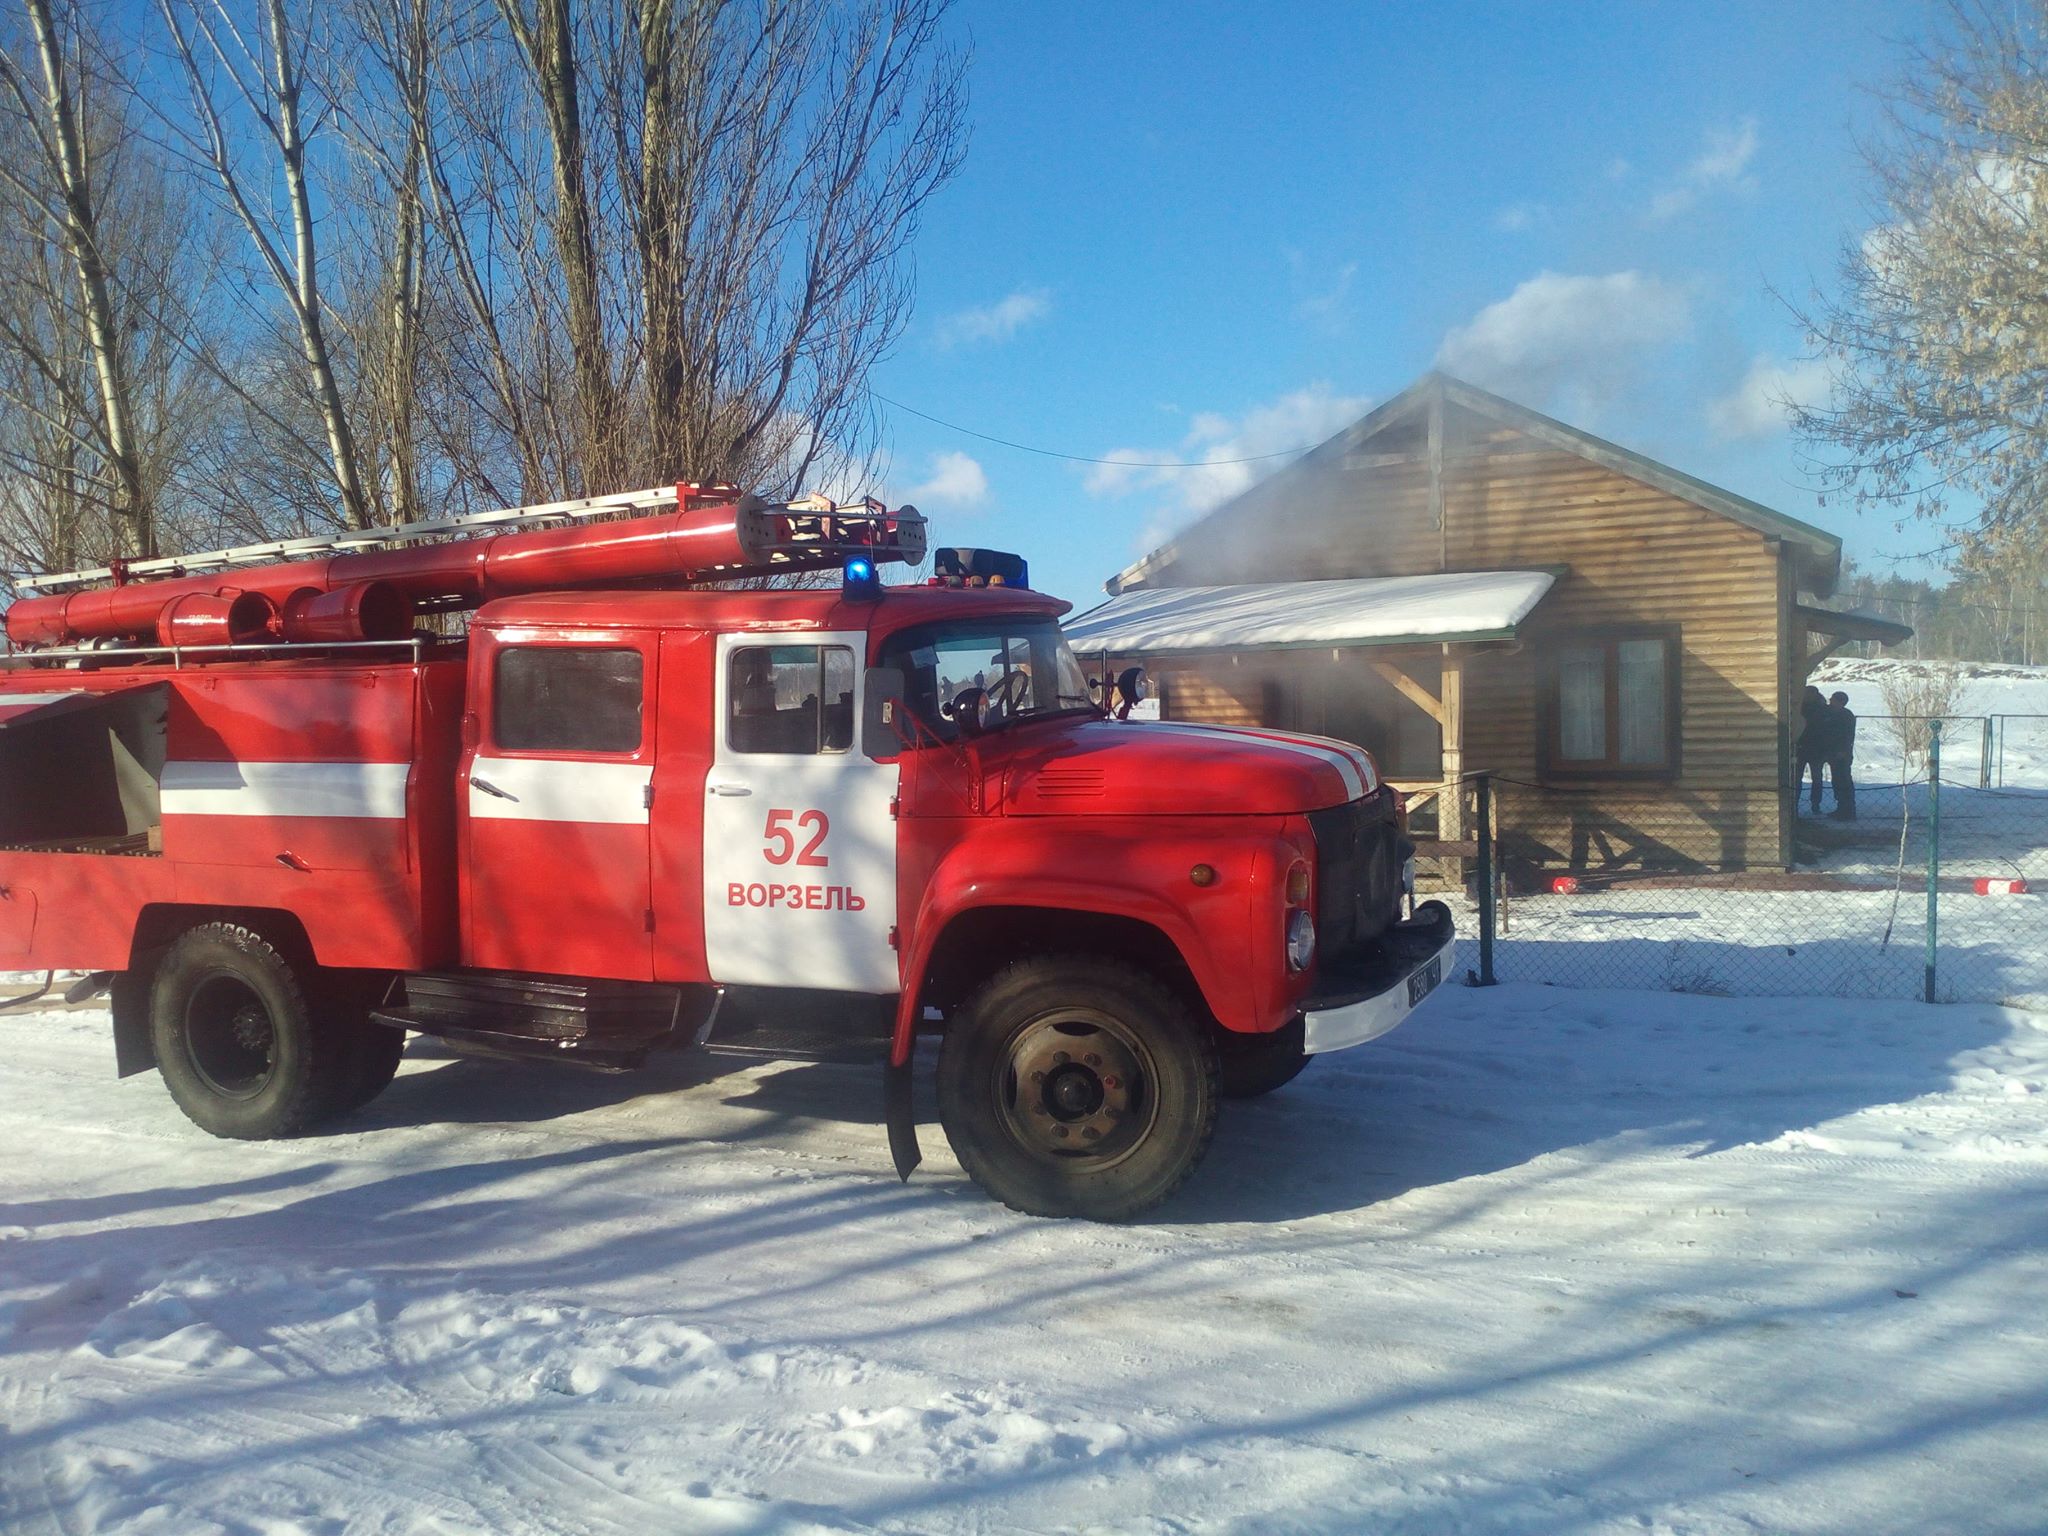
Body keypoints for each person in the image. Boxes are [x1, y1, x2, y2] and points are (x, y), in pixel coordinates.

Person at [1795, 685, 1830, 815]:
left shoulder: (1817, 708)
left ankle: (1815, 804)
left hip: (1814, 748)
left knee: (1815, 778)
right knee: (1797, 778)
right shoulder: (1802, 707)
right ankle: (1796, 804)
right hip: (1803, 747)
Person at [1825, 691, 1857, 821]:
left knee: (1844, 781)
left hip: (1842, 754)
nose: (1830, 701)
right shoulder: (1832, 713)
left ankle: (1848, 810)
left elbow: (1847, 736)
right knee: (1837, 781)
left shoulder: (1846, 716)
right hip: (1834, 752)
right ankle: (1841, 808)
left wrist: (1842, 751)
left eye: (1833, 700)